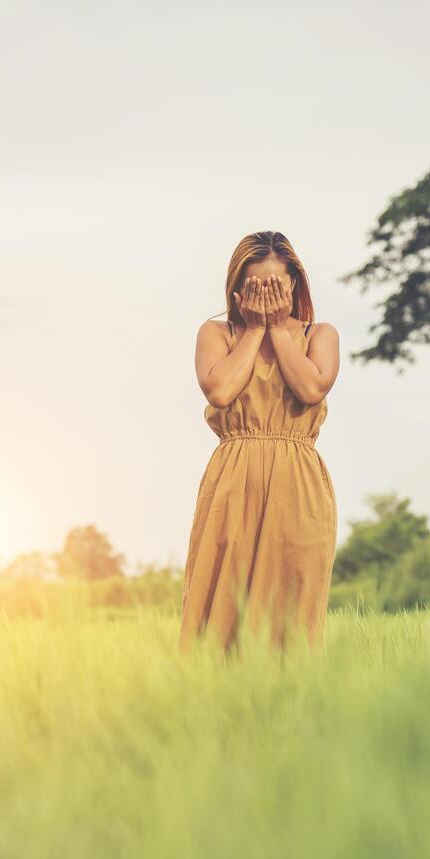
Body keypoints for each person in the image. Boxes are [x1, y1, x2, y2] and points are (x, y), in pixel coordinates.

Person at [180, 230, 341, 656]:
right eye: (257, 286)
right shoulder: (217, 333)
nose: (268, 294)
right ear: (238, 288)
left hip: (298, 483)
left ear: (295, 285)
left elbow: (310, 388)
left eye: (277, 285)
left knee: (294, 610)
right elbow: (220, 391)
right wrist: (255, 330)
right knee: (220, 611)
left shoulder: (320, 334)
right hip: (234, 480)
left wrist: (279, 332)